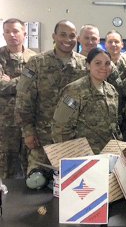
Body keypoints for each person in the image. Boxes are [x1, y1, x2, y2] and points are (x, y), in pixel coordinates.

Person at [15, 20, 87, 173]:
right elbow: (24, 99)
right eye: (63, 35)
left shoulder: (84, 65)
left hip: (74, 139)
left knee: (72, 184)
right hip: (42, 138)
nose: (68, 40)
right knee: (37, 183)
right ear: (54, 36)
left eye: (72, 36)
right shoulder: (37, 62)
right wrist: (28, 131)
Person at [52, 48, 121, 153]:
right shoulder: (74, 90)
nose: (103, 67)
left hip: (108, 154)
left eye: (107, 63)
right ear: (88, 65)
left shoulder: (111, 91)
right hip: (83, 156)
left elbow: (114, 127)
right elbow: (60, 128)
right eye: (98, 63)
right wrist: (71, 157)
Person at [0, 18, 37, 178]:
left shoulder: (35, 58)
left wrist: (11, 80)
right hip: (5, 124)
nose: (11, 35)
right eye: (7, 32)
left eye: (15, 31)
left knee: (32, 168)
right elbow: (1, 86)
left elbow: (37, 87)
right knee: (5, 170)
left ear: (24, 33)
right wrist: (25, 79)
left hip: (29, 122)